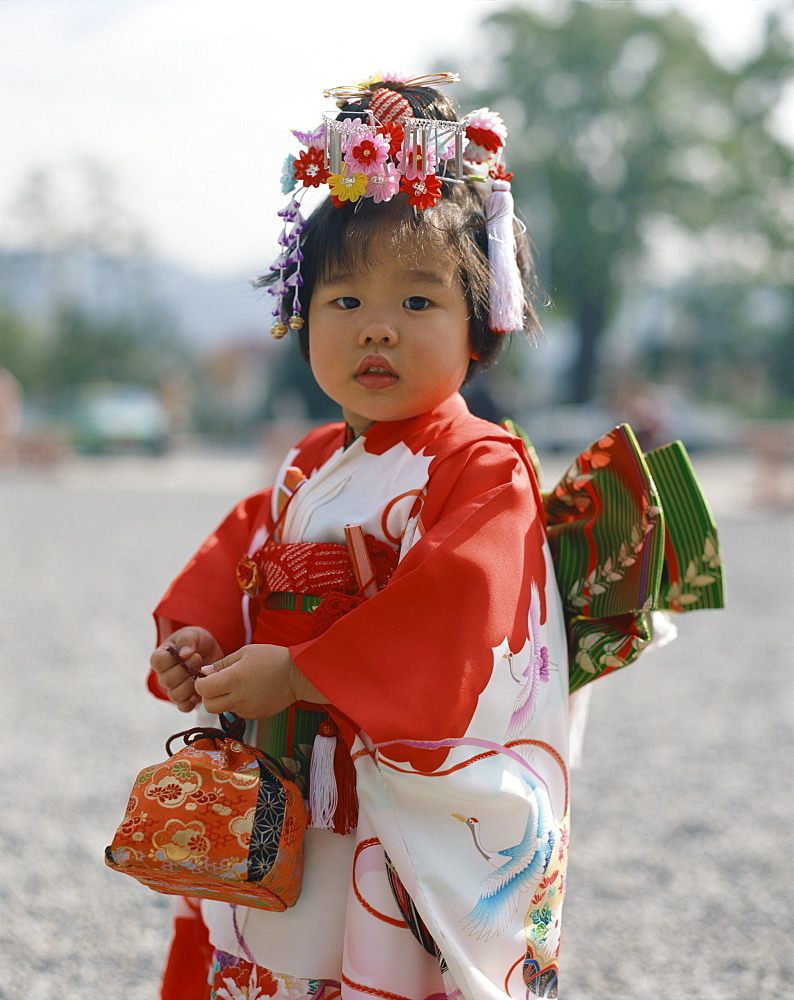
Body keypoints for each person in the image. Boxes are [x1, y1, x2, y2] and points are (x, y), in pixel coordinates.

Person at [146, 73, 723, 1000]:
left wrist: (301, 672)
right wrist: (199, 639)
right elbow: (244, 552)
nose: (377, 327)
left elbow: (463, 606)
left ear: (480, 325)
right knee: (280, 944)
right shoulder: (309, 459)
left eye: (418, 303)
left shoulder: (480, 465)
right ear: (302, 321)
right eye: (344, 303)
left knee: (367, 950)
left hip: (390, 787)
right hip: (296, 773)